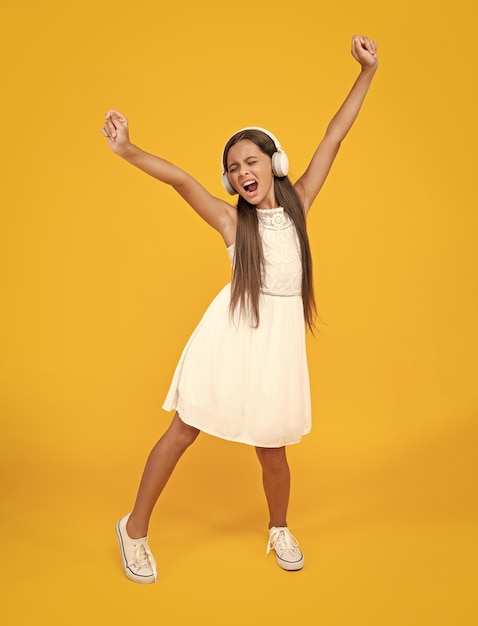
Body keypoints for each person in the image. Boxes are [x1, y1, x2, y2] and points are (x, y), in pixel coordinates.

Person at [102, 35, 378, 584]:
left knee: (272, 452)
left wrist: (367, 71)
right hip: (228, 338)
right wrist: (128, 150)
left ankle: (278, 528)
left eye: (250, 161)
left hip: (276, 348)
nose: (241, 172)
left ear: (274, 163)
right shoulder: (233, 224)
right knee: (183, 431)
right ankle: (133, 529)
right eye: (232, 168)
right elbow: (182, 180)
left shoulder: (299, 202)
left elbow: (335, 135)